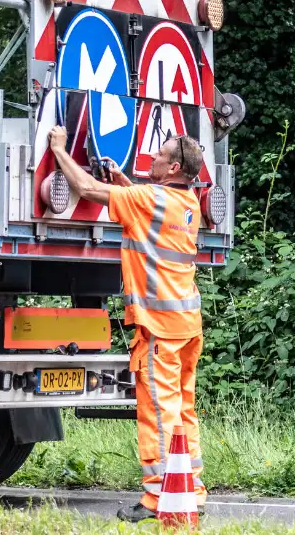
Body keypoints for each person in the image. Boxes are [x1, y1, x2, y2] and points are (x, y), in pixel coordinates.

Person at [47, 127, 207, 522]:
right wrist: (123, 182)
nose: (150, 158)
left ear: (172, 166)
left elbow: (84, 187)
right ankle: (192, 489)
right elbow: (148, 208)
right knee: (184, 411)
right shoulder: (188, 202)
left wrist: (59, 150)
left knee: (160, 413)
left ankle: (158, 498)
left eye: (158, 155)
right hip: (186, 325)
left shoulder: (149, 198)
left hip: (159, 328)